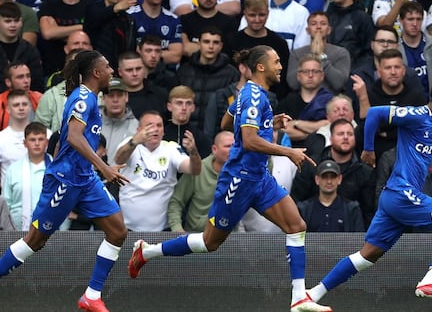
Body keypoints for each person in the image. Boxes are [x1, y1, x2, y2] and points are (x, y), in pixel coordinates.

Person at [127, 45, 330, 312]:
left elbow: (226, 124)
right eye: (276, 62)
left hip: (259, 177)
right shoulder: (254, 96)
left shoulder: (249, 94)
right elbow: (247, 140)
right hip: (239, 180)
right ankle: (147, 252)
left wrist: (269, 124)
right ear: (260, 67)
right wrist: (287, 150)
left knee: (296, 226)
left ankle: (298, 298)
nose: (281, 66)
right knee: (210, 242)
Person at [303, 76, 432, 305]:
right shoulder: (415, 115)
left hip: (395, 198)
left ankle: (312, 295)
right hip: (402, 193)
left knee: (367, 256)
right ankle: (429, 281)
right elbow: (374, 114)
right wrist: (369, 149)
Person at [0, 50, 130, 312]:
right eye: (108, 67)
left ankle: (92, 295)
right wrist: (105, 167)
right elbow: (73, 138)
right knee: (35, 240)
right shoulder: (82, 98)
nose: (113, 71)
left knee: (117, 232)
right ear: (96, 73)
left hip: (85, 180)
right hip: (65, 181)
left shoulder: (90, 98)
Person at [114, 110, 202, 232]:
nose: (155, 129)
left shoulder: (171, 148)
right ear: (139, 130)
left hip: (163, 229)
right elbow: (118, 159)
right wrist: (134, 141)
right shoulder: (129, 144)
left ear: (163, 131)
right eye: (150, 125)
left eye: (159, 126)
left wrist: (193, 151)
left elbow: (194, 170)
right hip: (128, 228)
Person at [2, 122, 52, 231]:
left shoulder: (57, 169)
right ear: (25, 143)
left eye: (41, 139)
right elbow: (6, 204)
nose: (37, 143)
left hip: (52, 230)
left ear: (47, 142)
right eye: (32, 140)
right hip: (16, 231)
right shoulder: (13, 169)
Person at [296, 160, 365, 233]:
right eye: (324, 177)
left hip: (343, 245)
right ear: (317, 179)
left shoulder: (352, 209)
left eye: (333, 177)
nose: (329, 181)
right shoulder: (304, 209)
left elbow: (359, 239)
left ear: (339, 179)